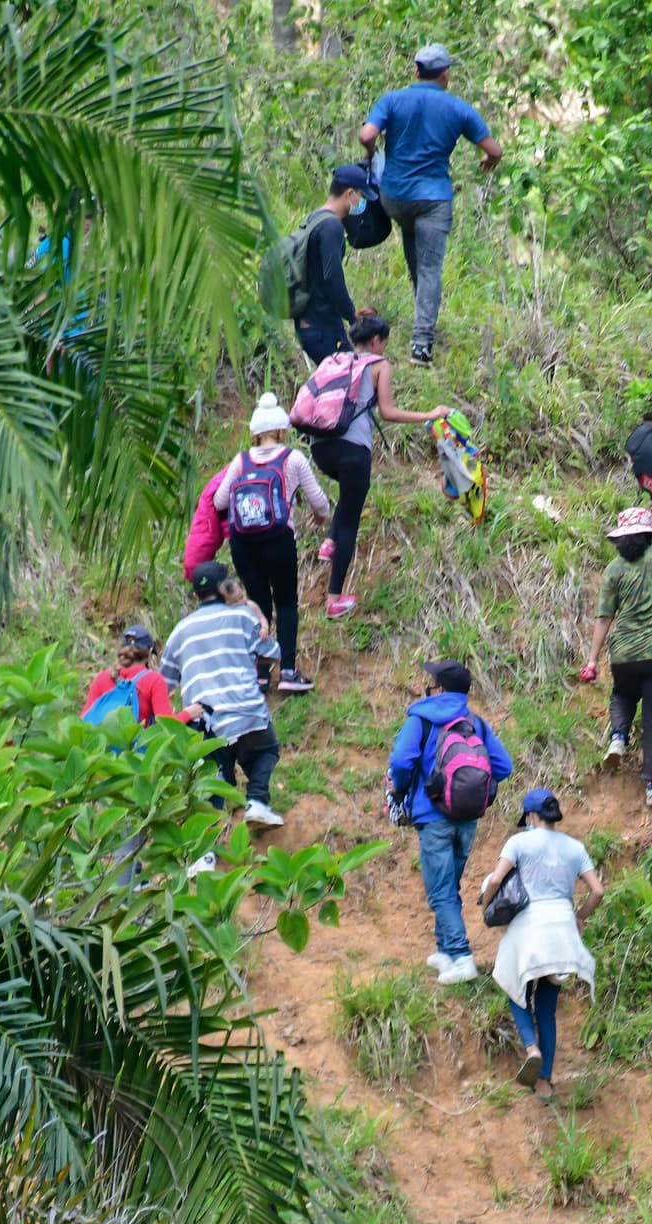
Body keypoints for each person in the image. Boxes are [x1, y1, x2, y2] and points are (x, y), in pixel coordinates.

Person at [360, 44, 503, 366]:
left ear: (416, 71)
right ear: (445, 74)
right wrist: (488, 161)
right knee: (429, 268)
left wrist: (371, 153)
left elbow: (366, 133)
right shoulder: (458, 108)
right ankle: (421, 343)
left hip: (395, 197)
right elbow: (495, 150)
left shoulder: (393, 100)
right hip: (433, 199)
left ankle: (422, 318)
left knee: (416, 258)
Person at [309, 313, 456, 619]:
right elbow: (387, 412)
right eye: (384, 344)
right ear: (376, 341)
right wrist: (429, 414)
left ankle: (328, 543)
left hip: (320, 447)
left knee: (346, 497)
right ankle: (334, 598)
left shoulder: (334, 360)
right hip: (353, 450)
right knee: (351, 516)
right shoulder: (379, 365)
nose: (384, 350)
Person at [386, 658, 512, 984]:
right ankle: (444, 951)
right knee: (448, 886)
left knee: (440, 891)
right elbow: (504, 766)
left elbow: (401, 760)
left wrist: (400, 787)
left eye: (431, 681)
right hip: (468, 819)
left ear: (438, 688)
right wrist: (474, 788)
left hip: (433, 818)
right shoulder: (475, 723)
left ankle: (461, 956)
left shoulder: (422, 720)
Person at [478, 789, 603, 1103]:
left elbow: (495, 881)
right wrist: (579, 917)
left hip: (528, 928)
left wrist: (487, 907)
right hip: (562, 931)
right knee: (547, 1009)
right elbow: (597, 891)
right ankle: (544, 1082)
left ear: (531, 817)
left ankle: (531, 1048)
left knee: (515, 988)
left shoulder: (519, 842)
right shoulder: (575, 848)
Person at [212, 393, 330, 694]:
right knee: (287, 602)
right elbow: (321, 504)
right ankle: (288, 671)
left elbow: (220, 500)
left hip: (243, 542)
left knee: (258, 602)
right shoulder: (293, 458)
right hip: (278, 538)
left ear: (255, 432)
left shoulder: (241, 460)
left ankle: (261, 674)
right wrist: (317, 519)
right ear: (281, 430)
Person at [159, 560, 284, 840]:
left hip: (204, 719)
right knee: (264, 751)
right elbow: (273, 651)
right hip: (246, 710)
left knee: (212, 781)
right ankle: (258, 803)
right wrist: (256, 615)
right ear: (225, 588)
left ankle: (204, 851)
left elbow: (164, 682)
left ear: (195, 596)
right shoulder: (241, 618)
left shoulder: (179, 632)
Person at [582, 506, 652, 808]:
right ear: (648, 533)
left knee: (622, 694)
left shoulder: (613, 569)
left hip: (623, 650)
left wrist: (591, 660)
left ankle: (618, 736)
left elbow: (603, 617)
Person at [294, 165, 371, 365]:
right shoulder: (332, 226)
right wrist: (352, 316)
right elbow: (332, 277)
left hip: (309, 324)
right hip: (322, 327)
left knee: (334, 388)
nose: (362, 203)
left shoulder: (314, 218)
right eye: (362, 197)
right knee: (349, 382)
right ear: (350, 193)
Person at [82, 624, 174, 725]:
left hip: (103, 739)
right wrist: (189, 713)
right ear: (150, 652)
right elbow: (167, 724)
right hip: (136, 740)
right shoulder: (154, 680)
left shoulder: (102, 678)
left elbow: (85, 718)